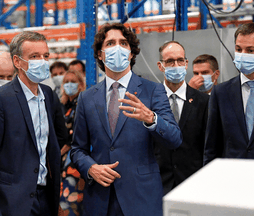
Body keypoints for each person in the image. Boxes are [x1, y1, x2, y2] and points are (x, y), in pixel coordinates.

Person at [70, 23, 182, 216]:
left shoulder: (152, 90)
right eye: (111, 43)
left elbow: (174, 139)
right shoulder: (87, 98)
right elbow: (77, 149)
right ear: (100, 54)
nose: (118, 48)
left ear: (131, 53)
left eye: (123, 43)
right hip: (100, 199)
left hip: (141, 198)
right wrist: (91, 168)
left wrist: (152, 119)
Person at [0, 31, 61, 216]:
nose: (42, 61)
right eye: (34, 56)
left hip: (46, 198)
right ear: (17, 62)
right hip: (12, 202)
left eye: (45, 56)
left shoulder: (48, 94)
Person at [204, 22, 254, 165]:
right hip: (231, 179)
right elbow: (212, 147)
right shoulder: (221, 93)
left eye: (250, 50)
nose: (242, 55)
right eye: (239, 49)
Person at [155, 41, 209, 195]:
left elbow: (208, 147)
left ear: (186, 64)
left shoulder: (204, 102)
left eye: (180, 60)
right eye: (170, 61)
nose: (176, 65)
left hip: (194, 185)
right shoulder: (150, 100)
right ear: (161, 66)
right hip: (159, 185)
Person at [59, 71, 86, 215]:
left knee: (71, 202)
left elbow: (76, 135)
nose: (69, 84)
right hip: (60, 162)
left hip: (74, 162)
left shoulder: (82, 104)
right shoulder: (62, 105)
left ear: (81, 85)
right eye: (66, 81)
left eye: (73, 81)